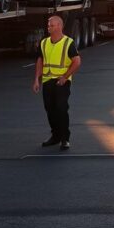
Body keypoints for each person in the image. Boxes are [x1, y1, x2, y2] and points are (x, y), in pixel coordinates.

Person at [32, 15, 81, 150]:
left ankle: (65, 138)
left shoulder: (68, 42)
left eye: (51, 25)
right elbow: (40, 60)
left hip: (62, 81)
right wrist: (37, 79)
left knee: (61, 108)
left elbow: (77, 62)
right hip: (47, 80)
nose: (49, 27)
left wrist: (65, 77)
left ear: (60, 26)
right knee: (49, 108)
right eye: (48, 25)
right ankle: (56, 136)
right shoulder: (44, 42)